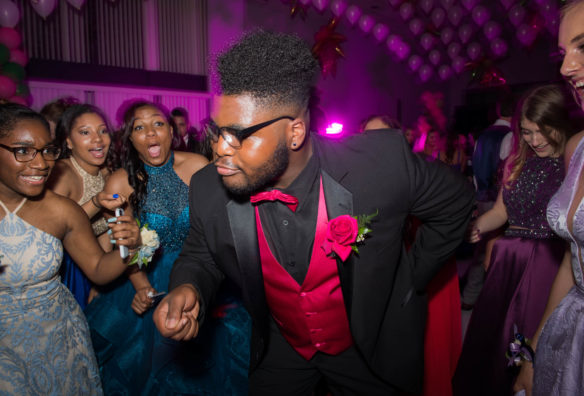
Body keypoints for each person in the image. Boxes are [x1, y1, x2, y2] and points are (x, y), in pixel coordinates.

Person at [152, 30, 474, 395]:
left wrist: (410, 278)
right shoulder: (209, 187)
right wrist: (187, 286)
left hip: (368, 349)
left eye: (239, 135)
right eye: (215, 131)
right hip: (281, 346)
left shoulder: (379, 164)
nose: (219, 149)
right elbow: (201, 252)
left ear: (295, 132)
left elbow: (456, 202)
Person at [84, 101, 251, 394]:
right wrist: (141, 287)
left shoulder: (200, 167)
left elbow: (219, 226)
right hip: (147, 277)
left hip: (200, 270)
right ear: (129, 137)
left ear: (171, 131)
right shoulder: (119, 182)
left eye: (158, 124)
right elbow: (123, 248)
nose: (150, 133)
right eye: (139, 127)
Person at [0, 103, 140, 394]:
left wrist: (132, 247)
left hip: (59, 339)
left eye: (47, 150)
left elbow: (99, 270)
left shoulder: (61, 210)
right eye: (23, 151)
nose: (40, 164)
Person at [453, 84, 576, 396]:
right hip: (507, 263)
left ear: (561, 126)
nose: (534, 141)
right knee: (493, 346)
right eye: (527, 132)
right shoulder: (516, 161)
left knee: (530, 346)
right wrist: (475, 225)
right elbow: (500, 212)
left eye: (542, 132)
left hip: (547, 265)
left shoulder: (573, 165)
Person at [514, 2, 584, 395]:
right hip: (570, 325)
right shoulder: (579, 148)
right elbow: (573, 259)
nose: (565, 68)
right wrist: (534, 349)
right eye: (563, 53)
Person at [47, 104, 122, 308]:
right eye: (85, 132)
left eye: (103, 131)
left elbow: (105, 231)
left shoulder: (107, 174)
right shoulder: (63, 174)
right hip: (64, 270)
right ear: (68, 142)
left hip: (95, 264)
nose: (97, 139)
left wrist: (99, 284)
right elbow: (53, 229)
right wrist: (95, 202)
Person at [461, 93, 515, 310]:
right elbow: (507, 171)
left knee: (481, 250)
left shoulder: (482, 135)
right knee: (498, 251)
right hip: (499, 201)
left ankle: (470, 296)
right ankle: (495, 301)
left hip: (482, 197)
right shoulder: (510, 136)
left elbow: (475, 169)